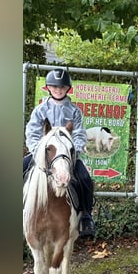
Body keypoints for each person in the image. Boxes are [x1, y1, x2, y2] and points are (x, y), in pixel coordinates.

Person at [23, 69, 95, 238]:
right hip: (44, 156)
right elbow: (32, 133)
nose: (58, 90)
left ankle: (86, 216)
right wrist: (38, 152)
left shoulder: (74, 111)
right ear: (48, 88)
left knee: (85, 178)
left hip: (66, 157)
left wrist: (73, 152)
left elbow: (79, 134)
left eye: (62, 87)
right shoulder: (40, 110)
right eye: (54, 87)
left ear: (67, 89)